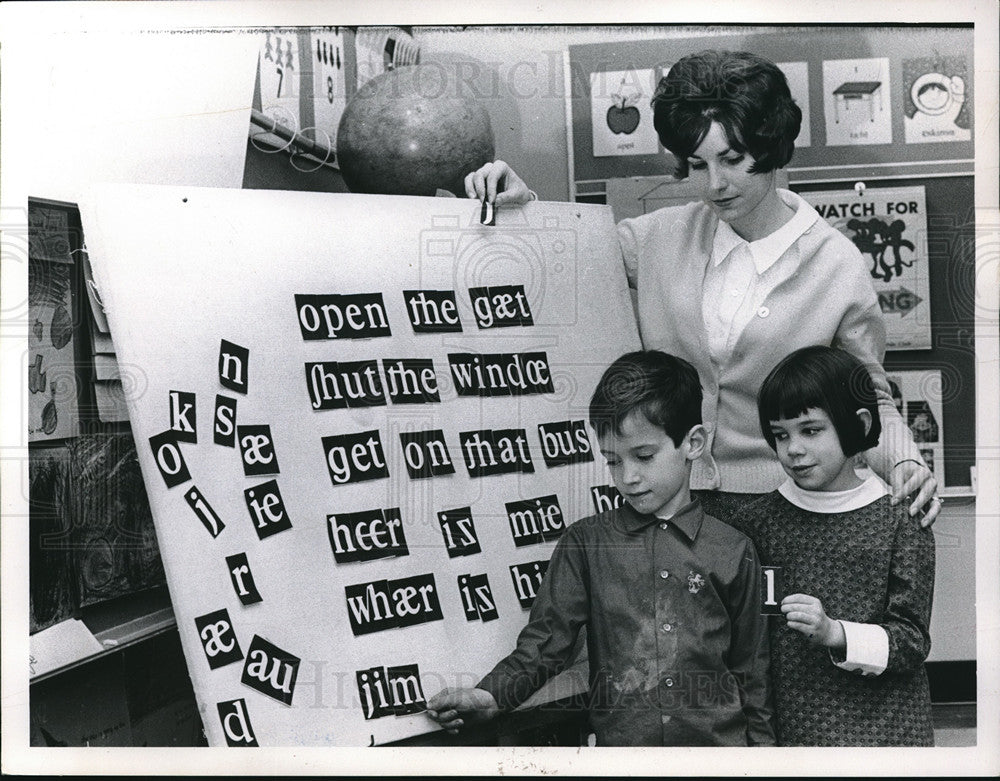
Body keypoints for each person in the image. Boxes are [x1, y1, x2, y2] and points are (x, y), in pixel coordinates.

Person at [463, 49, 941, 527]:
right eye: (697, 164)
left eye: (732, 159)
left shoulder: (836, 263)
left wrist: (904, 462)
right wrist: (521, 203)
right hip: (676, 511)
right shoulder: (655, 238)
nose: (715, 184)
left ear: (770, 146)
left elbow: (869, 400)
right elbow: (561, 252)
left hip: (792, 511)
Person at [427, 350, 774, 747]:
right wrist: (492, 695)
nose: (628, 477)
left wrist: (764, 761)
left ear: (693, 443)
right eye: (612, 461)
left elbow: (753, 674)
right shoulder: (585, 544)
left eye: (644, 456)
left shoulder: (734, 549)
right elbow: (546, 643)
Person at [729, 345, 935, 745]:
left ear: (857, 424)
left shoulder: (902, 518)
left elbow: (911, 642)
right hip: (795, 733)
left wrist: (835, 632)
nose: (793, 449)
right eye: (780, 434)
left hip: (888, 735)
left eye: (810, 430)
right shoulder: (756, 523)